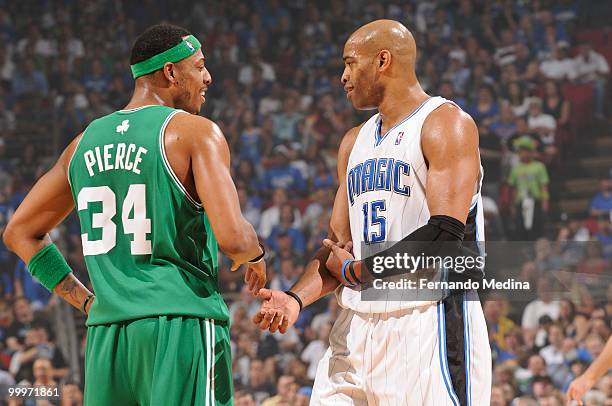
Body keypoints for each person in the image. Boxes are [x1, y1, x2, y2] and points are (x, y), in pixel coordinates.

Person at [3, 23, 267, 405]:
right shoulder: (195, 132)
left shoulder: (82, 143)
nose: (208, 76)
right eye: (200, 65)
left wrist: (85, 301)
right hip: (179, 324)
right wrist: (256, 254)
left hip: (107, 335)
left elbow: (19, 232)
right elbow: (233, 239)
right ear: (171, 71)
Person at [253, 20, 491, 405]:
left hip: (427, 318)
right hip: (355, 327)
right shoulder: (353, 142)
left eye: (350, 63)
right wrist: (295, 299)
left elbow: (446, 234)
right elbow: (337, 249)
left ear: (383, 60)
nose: (344, 77)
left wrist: (361, 271)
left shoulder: (445, 123)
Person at [566, 335, 612, 404]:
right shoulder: (584, 368)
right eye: (593, 348)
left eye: (598, 346)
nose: (596, 350)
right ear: (588, 350)